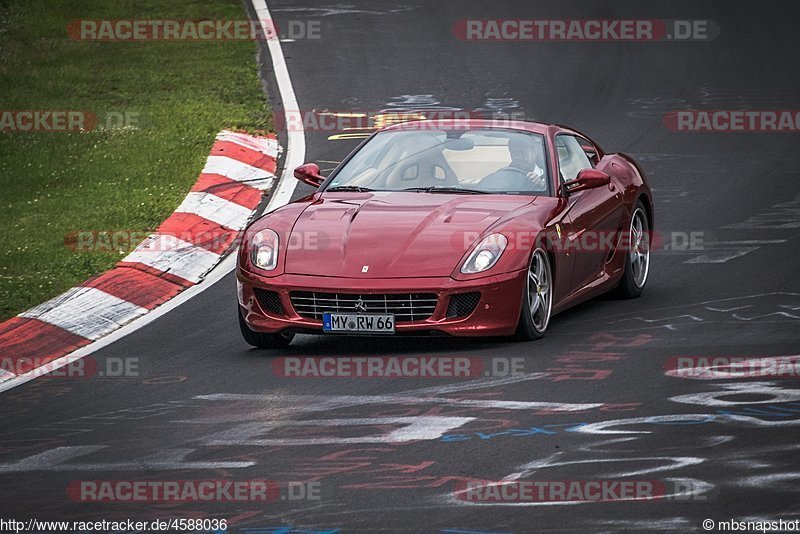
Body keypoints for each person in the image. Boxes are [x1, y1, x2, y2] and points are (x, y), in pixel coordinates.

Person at [479, 135, 547, 192]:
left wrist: (541, 185)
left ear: (535, 152)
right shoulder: (502, 175)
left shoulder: (547, 176)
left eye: (522, 153)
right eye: (514, 153)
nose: (517, 157)